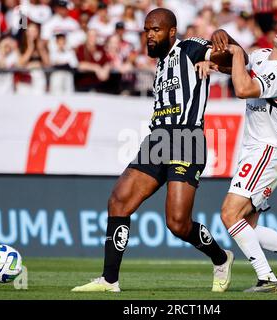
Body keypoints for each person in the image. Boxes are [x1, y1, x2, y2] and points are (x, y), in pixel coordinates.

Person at [72, 7, 235, 293]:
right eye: (147, 30)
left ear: (172, 31)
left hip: (186, 139)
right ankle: (109, 280)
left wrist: (225, 38)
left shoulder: (190, 48)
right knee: (119, 201)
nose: (149, 35)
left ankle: (221, 258)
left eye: (155, 30)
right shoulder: (161, 62)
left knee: (177, 223)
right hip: (158, 141)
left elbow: (229, 58)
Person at [196, 26, 277, 293]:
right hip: (257, 151)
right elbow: (238, 65)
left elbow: (243, 88)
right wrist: (221, 43)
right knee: (247, 227)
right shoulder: (263, 54)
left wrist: (232, 51)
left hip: (266, 151)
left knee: (229, 214)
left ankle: (268, 279)